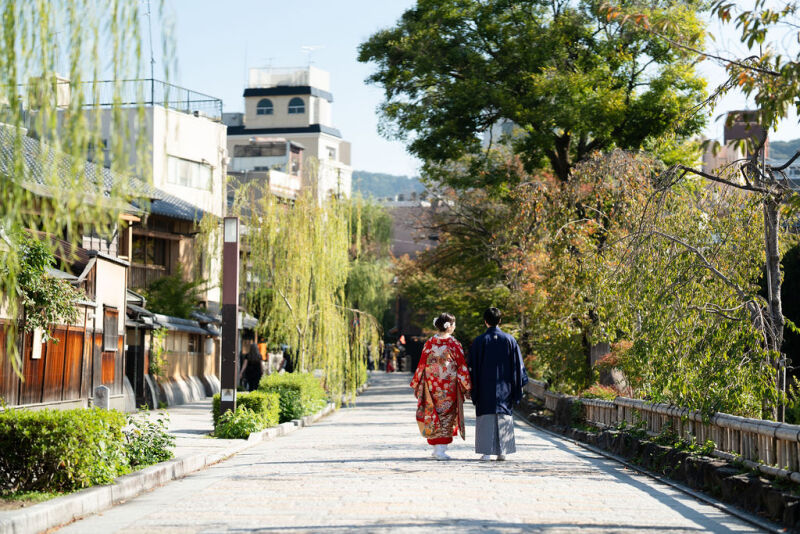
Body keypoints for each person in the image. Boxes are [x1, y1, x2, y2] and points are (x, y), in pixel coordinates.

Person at [410, 312, 472, 460]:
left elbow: (422, 364)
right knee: (446, 416)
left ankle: (436, 448)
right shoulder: (454, 343)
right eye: (454, 324)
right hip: (448, 386)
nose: (454, 326)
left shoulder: (430, 342)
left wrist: (418, 383)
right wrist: (467, 385)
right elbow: (462, 365)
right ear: (449, 326)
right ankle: (440, 450)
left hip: (432, 386)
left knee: (433, 414)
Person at [469, 307, 528, 461]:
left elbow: (472, 367)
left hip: (484, 387)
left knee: (485, 415)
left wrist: (470, 386)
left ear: (485, 321)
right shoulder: (509, 340)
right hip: (505, 387)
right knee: (504, 415)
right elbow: (518, 366)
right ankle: (503, 451)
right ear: (500, 321)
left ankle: (486, 452)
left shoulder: (479, 341)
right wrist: (518, 385)